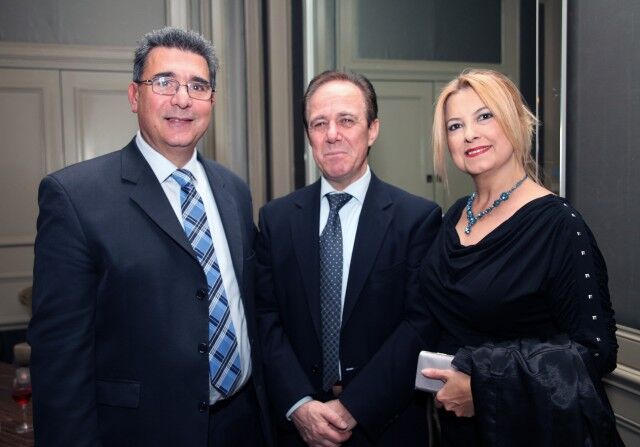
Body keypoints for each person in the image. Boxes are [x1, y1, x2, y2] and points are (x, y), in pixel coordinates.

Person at [28, 27, 272, 447]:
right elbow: (59, 364)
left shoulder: (234, 190)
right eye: (164, 82)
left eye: (198, 86)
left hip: (243, 424)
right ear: (133, 96)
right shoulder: (74, 197)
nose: (182, 99)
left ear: (212, 101)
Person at [420, 69, 623, 446]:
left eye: (484, 116)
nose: (469, 134)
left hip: (528, 432)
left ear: (516, 121)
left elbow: (596, 350)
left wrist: (483, 385)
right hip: (456, 430)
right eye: (455, 126)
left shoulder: (559, 226)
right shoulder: (453, 217)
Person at [255, 70, 442, 447]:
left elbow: (420, 324)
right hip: (298, 428)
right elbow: (265, 318)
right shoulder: (276, 219)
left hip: (386, 425)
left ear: (372, 130)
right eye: (319, 123)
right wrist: (299, 404)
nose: (332, 134)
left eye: (346, 120)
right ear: (308, 135)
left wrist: (354, 406)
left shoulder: (417, 219)